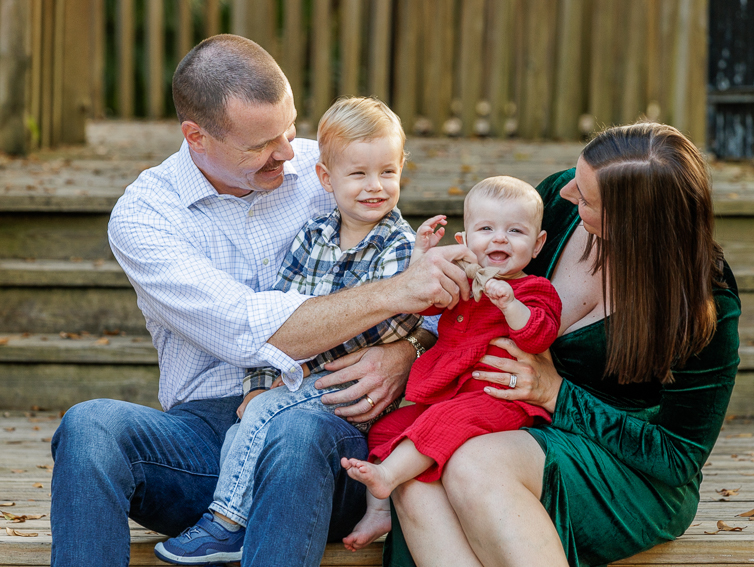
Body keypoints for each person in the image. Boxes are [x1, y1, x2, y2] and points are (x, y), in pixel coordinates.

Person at [49, 35, 473, 567]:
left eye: (289, 129)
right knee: (89, 426)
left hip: (330, 436)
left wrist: (407, 349)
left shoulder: (328, 168)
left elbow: (417, 287)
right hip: (205, 440)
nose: (287, 153)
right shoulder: (147, 217)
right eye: (260, 145)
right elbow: (256, 331)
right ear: (196, 136)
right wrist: (395, 295)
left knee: (295, 429)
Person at [383, 122, 742, 567]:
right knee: (416, 476)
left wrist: (556, 394)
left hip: (627, 468)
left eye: (587, 199)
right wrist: (417, 338)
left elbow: (676, 457)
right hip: (507, 419)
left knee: (473, 464)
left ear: (632, 223)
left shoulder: (705, 302)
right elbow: (472, 294)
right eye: (577, 176)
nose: (568, 192)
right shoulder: (555, 202)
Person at [152, 95, 431, 565]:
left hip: (354, 394)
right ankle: (239, 513)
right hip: (299, 380)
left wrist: (306, 354)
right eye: (358, 174)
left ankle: (225, 522)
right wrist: (262, 382)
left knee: (267, 415)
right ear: (326, 179)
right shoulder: (312, 236)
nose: (375, 187)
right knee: (256, 410)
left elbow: (391, 324)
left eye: (387, 172)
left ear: (402, 168)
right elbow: (279, 321)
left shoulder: (400, 247)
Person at [340, 176, 563, 551]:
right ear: (464, 240)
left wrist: (511, 306)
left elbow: (539, 336)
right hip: (451, 397)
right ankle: (378, 510)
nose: (500, 239)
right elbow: (425, 304)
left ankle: (387, 475)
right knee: (387, 428)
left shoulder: (535, 290)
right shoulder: (463, 280)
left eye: (515, 231)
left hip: (500, 401)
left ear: (538, 243)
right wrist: (420, 258)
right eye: (486, 229)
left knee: (440, 422)